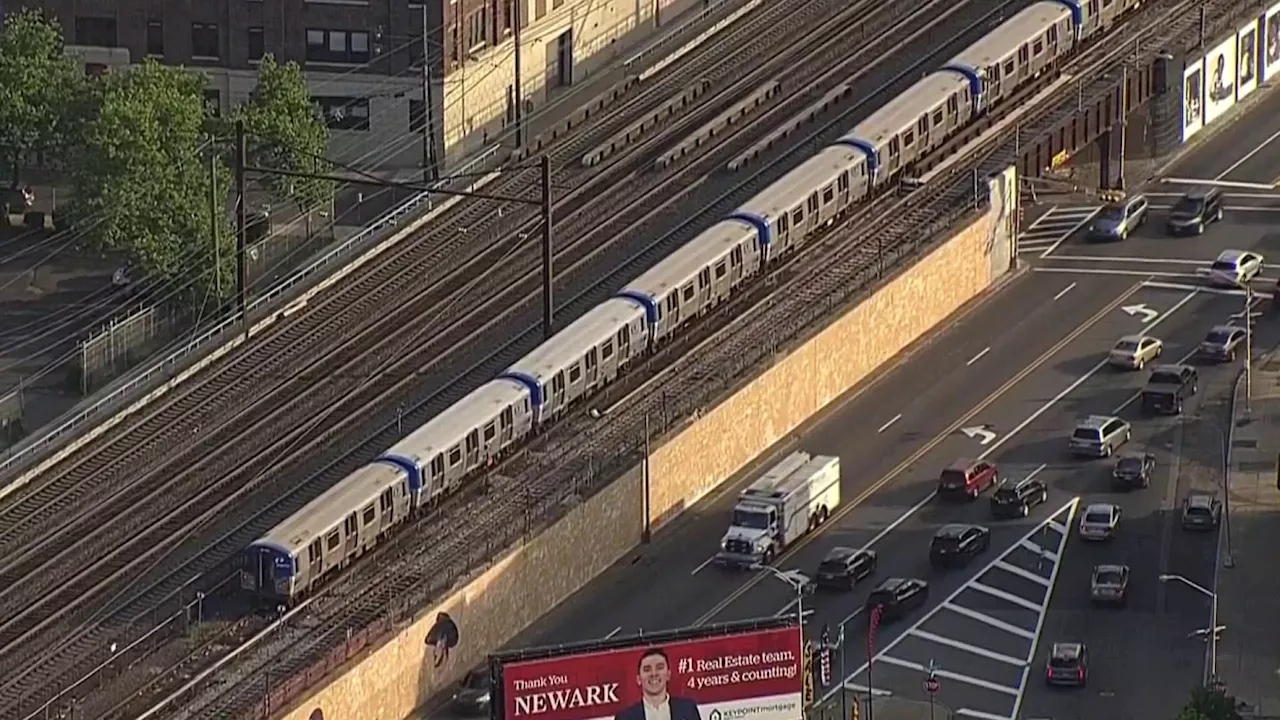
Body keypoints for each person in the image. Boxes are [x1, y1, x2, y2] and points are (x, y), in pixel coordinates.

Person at [615, 648, 703, 720]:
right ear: (638, 679)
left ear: (668, 674)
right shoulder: (624, 717)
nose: (654, 674)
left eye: (659, 667)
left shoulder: (687, 710)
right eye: (647, 669)